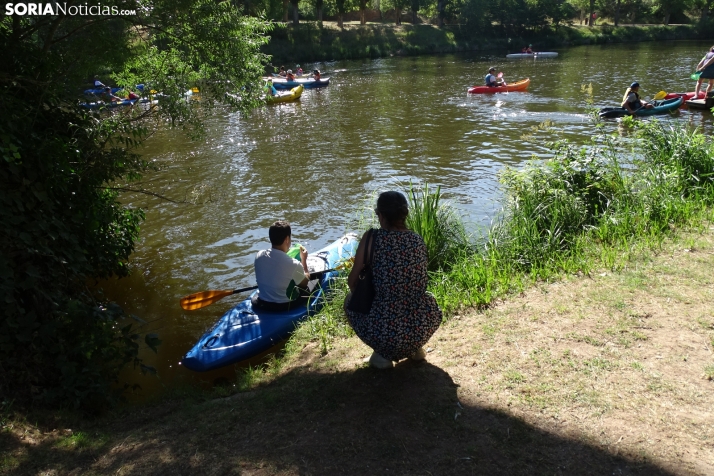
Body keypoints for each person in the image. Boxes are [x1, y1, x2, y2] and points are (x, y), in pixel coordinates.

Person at [344, 191, 443, 369]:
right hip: (422, 322)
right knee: (408, 301)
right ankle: (415, 349)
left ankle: (382, 355)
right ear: (403, 214)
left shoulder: (372, 238)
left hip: (386, 331)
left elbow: (352, 282)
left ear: (381, 215)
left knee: (349, 301)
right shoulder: (416, 239)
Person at [253, 220, 311, 311]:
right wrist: (304, 260)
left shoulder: (259, 255)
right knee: (307, 289)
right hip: (283, 306)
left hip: (262, 302)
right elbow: (305, 283)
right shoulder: (294, 264)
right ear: (287, 239)